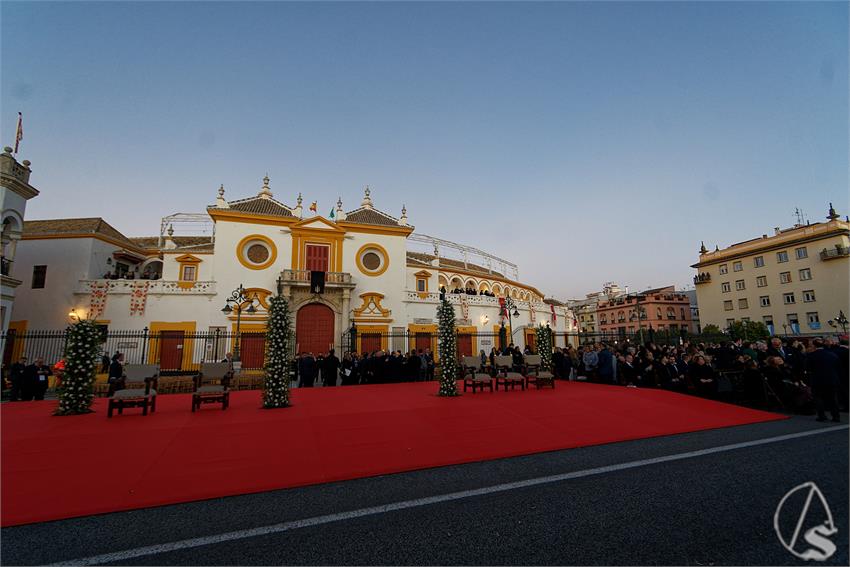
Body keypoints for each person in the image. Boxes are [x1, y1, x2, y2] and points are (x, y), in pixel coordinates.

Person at [805, 339, 841, 422]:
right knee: (833, 398)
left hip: (817, 379)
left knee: (818, 398)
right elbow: (838, 366)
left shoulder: (811, 356)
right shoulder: (832, 354)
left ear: (814, 345)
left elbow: (807, 368)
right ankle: (836, 416)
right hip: (831, 379)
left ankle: (822, 415)